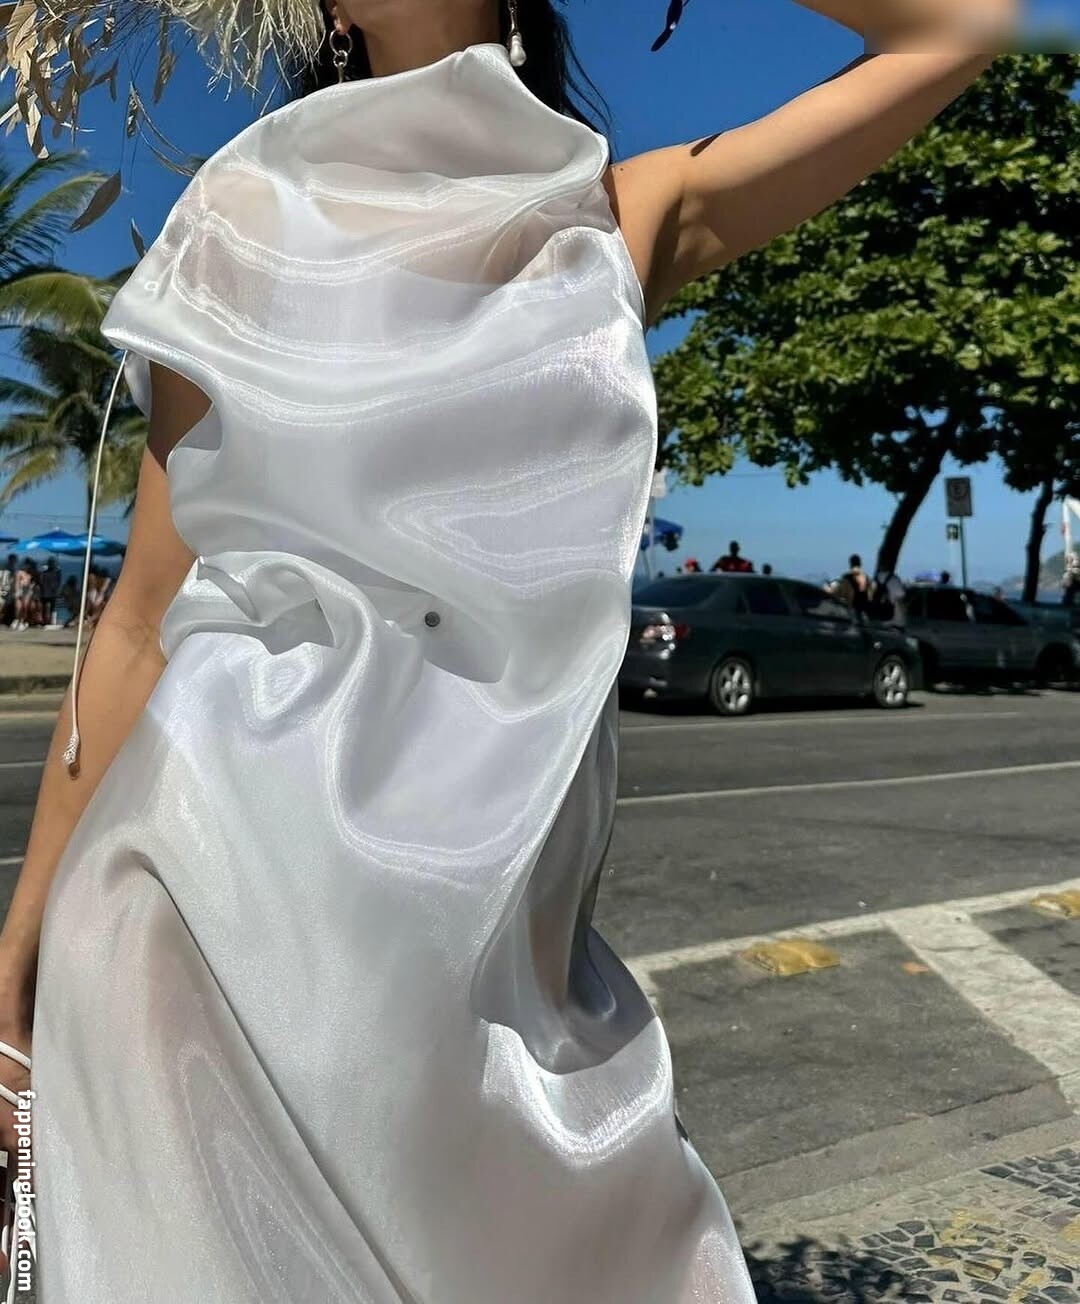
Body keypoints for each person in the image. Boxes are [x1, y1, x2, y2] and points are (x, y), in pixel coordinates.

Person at [0, 2, 1016, 1299]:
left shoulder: (608, 222)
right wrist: (22, 946)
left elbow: (960, 30)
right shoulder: (241, 215)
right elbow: (146, 613)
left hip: (487, 997)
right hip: (187, 926)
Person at [39, 557, 61, 627]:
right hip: (47, 592)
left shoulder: (48, 572)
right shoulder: (54, 572)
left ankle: (48, 621)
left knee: (49, 608)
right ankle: (47, 621)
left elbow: (41, 582)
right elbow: (57, 582)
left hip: (48, 592)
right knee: (48, 608)